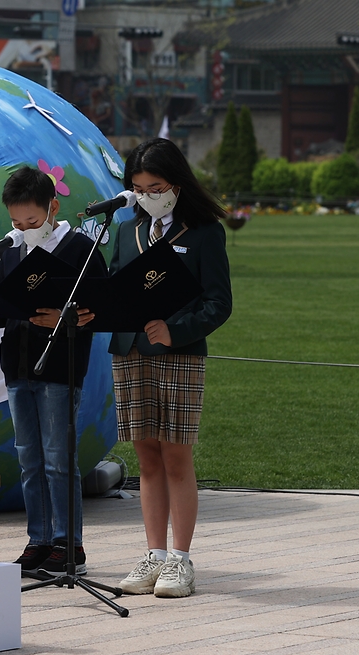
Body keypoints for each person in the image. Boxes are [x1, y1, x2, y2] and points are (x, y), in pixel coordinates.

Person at [81, 138, 231, 598]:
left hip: (179, 354)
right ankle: (155, 554)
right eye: (139, 188)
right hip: (128, 351)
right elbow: (115, 288)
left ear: (177, 184)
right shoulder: (127, 230)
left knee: (176, 455)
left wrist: (177, 328)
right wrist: (94, 311)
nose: (148, 194)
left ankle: (181, 560)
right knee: (145, 456)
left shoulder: (203, 231)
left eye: (156, 186)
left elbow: (219, 303)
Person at [0, 166, 108, 576]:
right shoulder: (10, 249)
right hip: (18, 364)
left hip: (59, 366)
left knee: (58, 459)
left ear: (53, 206)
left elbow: (98, 311)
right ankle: (39, 539)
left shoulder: (81, 249)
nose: (24, 228)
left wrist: (64, 319)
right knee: (28, 458)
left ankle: (70, 545)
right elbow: (6, 310)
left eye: (32, 221)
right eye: (16, 222)